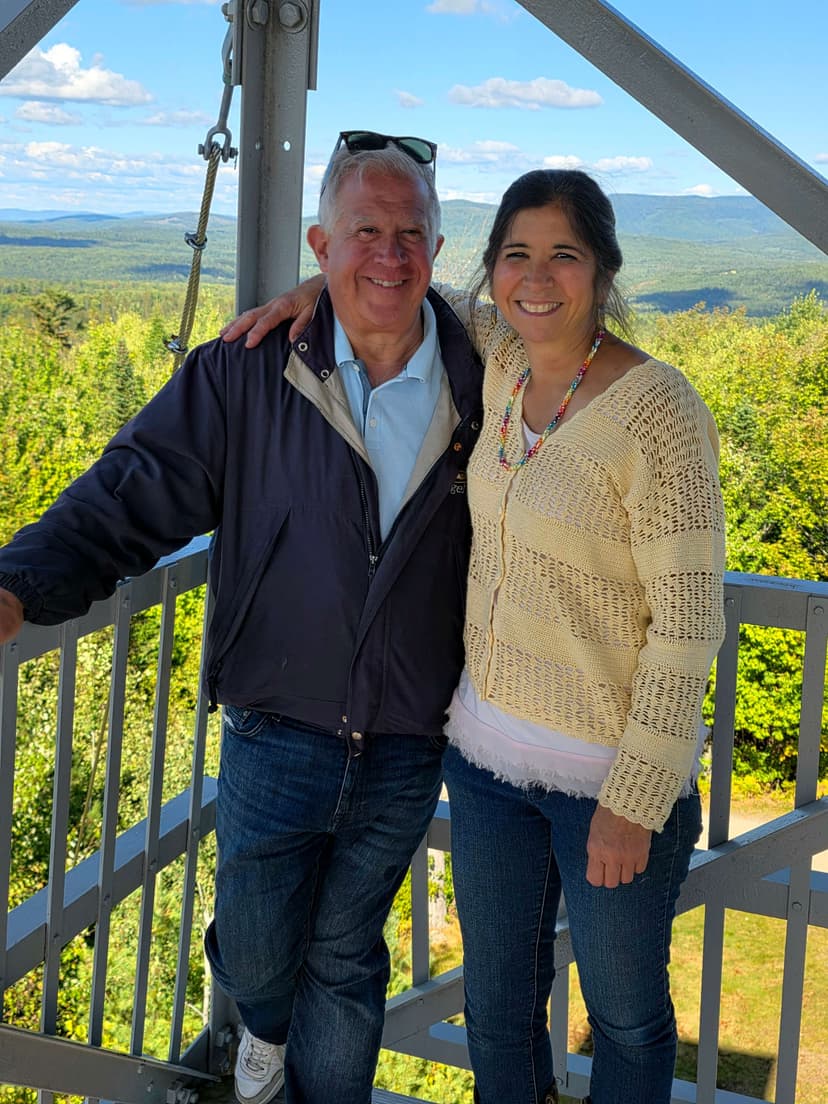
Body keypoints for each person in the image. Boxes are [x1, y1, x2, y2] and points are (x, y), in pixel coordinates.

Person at [225, 168, 727, 1104]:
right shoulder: (500, 356)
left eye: (564, 255)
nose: (537, 278)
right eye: (517, 255)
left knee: (625, 1018)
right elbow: (404, 286)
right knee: (498, 1011)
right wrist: (315, 285)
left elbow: (690, 624)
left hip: (605, 780)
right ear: (494, 269)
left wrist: (637, 795)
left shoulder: (658, 412)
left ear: (605, 270)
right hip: (486, 759)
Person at [0, 132, 483, 1104]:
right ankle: (258, 1027)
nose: (388, 254)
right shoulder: (249, 373)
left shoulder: (488, 377)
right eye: (364, 232)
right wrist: (19, 585)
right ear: (319, 243)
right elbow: (132, 493)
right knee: (263, 950)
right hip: (277, 720)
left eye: (409, 233)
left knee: (347, 958)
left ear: (437, 247)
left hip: (405, 735)